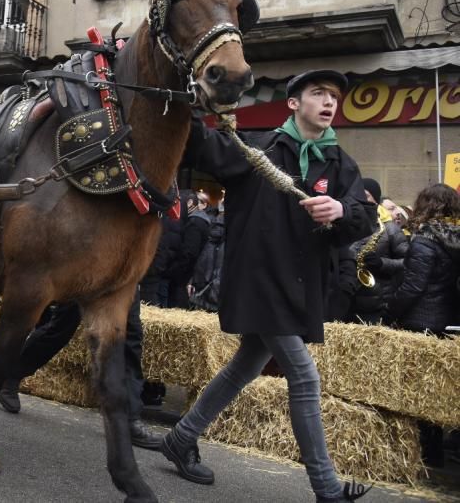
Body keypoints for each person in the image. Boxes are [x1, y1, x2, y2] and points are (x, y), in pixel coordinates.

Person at [160, 69, 376, 503]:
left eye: (334, 96)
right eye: (318, 93)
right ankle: (326, 487)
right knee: (303, 376)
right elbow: (197, 144)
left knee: (246, 366)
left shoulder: (339, 163)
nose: (329, 102)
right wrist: (188, 96)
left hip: (299, 287)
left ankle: (182, 437)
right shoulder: (257, 147)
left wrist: (339, 209)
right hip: (259, 282)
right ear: (294, 103)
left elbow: (363, 216)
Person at [0, 290, 162, 450]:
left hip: (124, 269)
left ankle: (128, 419)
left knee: (129, 334)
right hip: (87, 267)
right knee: (61, 328)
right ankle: (11, 374)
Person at [386, 183, 460, 468]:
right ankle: (435, 452)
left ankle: (422, 454)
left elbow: (413, 286)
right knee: (434, 391)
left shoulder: (424, 240)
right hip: (444, 320)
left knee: (415, 391)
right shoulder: (453, 239)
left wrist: (391, 311)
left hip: (419, 321)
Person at [329, 178, 409, 324]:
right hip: (345, 305)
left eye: (365, 196)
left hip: (377, 306)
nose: (359, 200)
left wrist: (382, 263)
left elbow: (408, 263)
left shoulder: (391, 230)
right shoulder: (341, 228)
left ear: (376, 202)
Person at [166, 190, 212, 308]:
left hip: (183, 277)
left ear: (190, 203)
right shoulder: (200, 220)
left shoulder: (195, 222)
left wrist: (173, 271)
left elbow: (189, 253)